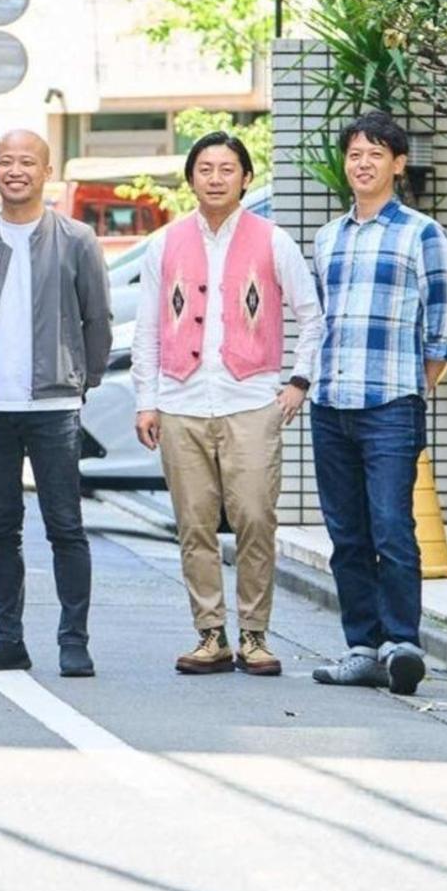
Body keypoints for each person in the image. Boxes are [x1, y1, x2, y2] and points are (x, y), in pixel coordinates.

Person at [133, 132, 323, 679]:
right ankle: (210, 634)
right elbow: (147, 328)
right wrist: (147, 401)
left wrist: (298, 382)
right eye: (205, 169)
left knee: (256, 519)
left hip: (251, 402)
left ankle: (255, 634)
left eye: (227, 169)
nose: (215, 178)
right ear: (191, 178)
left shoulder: (274, 240)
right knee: (193, 524)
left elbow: (311, 316)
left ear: (245, 178)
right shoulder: (165, 243)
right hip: (181, 401)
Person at [308, 112, 447, 695]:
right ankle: (362, 648)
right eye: (354, 154)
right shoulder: (328, 237)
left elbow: (443, 322)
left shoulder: (422, 233)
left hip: (391, 405)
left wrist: (417, 384)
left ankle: (401, 644)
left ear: (398, 163)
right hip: (331, 404)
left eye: (375, 154)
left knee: (393, 528)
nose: (363, 163)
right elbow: (322, 320)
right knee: (347, 535)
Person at [0, 130, 111, 678]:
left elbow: (97, 319)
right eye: (5, 161)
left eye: (26, 162)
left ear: (47, 172)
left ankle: (74, 641)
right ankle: (8, 639)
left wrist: (81, 381)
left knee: (65, 525)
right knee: (0, 526)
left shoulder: (77, 239)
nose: (14, 170)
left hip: (54, 406)